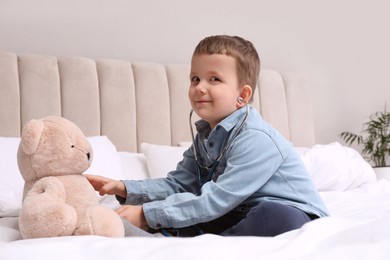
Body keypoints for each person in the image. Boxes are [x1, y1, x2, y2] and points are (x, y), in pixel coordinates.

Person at [86, 35, 329, 237]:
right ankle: (188, 237)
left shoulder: (256, 138)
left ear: (242, 95)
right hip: (237, 210)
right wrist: (124, 188)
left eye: (214, 79)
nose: (199, 87)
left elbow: (218, 199)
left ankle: (208, 242)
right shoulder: (206, 136)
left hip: (291, 213)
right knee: (189, 210)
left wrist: (147, 214)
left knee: (270, 216)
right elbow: (179, 184)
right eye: (195, 78)